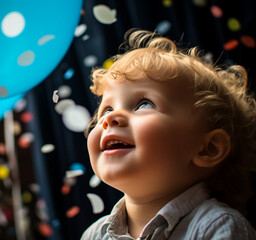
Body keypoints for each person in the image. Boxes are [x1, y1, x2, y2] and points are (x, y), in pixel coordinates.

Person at [81, 29, 256, 239]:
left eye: (144, 104)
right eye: (106, 110)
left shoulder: (216, 226)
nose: (109, 118)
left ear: (208, 148)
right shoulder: (93, 235)